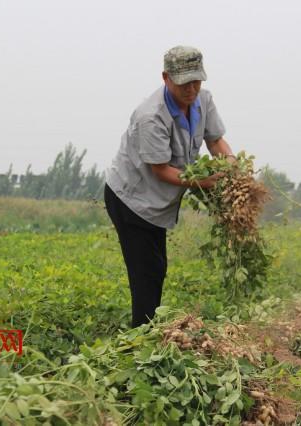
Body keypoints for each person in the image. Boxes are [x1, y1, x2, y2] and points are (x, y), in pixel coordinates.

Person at [104, 46, 235, 327]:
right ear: (166, 78)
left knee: (155, 268)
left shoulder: (204, 101)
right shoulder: (150, 116)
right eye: (184, 82)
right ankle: (141, 338)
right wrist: (205, 181)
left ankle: (147, 329)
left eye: (197, 81)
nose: (191, 89)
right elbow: (161, 169)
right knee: (147, 271)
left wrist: (232, 165)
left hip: (157, 198)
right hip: (132, 199)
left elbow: (215, 141)